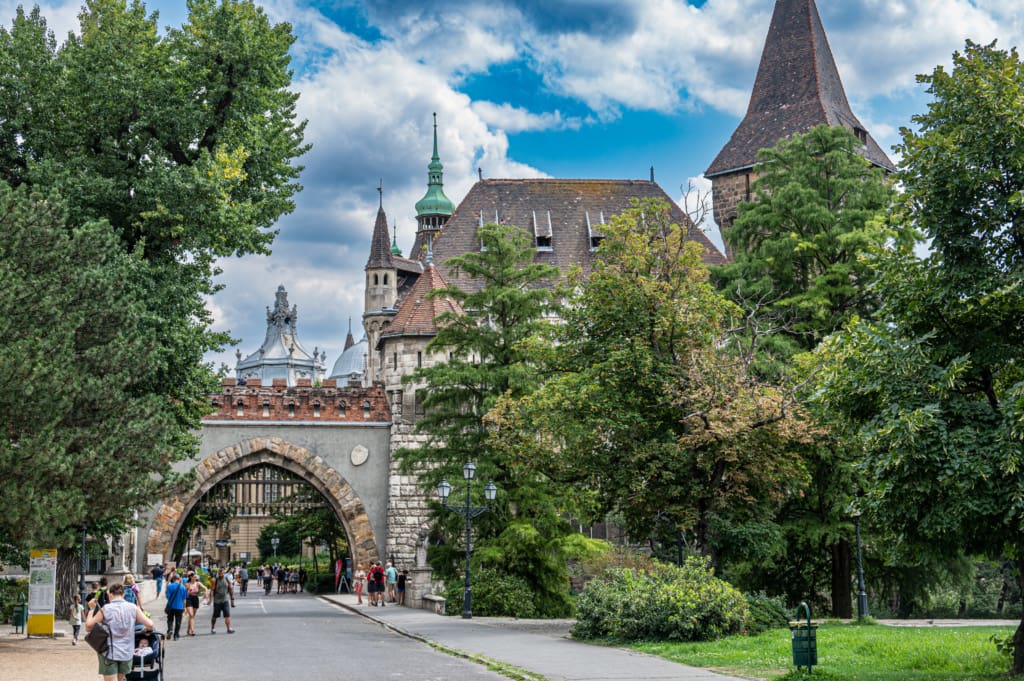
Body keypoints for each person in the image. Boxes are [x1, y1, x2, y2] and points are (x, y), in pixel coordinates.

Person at [85, 582, 154, 681]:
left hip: (109, 652)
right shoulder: (133, 608)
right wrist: (146, 629)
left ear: (110, 595)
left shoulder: (106, 609)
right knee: (121, 679)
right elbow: (150, 624)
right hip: (127, 652)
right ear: (123, 595)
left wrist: (91, 609)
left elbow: (88, 627)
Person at [209, 568, 236, 634]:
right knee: (215, 616)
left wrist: (232, 599)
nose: (221, 574)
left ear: (224, 573)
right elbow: (212, 590)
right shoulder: (215, 581)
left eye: (222, 573)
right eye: (220, 573)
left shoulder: (227, 580)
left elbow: (230, 589)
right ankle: (213, 628)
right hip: (217, 601)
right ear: (218, 574)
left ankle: (229, 628)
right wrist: (210, 599)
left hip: (225, 600)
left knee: (227, 614)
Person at [163, 573, 186, 641]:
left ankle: (170, 629)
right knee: (178, 621)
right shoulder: (183, 587)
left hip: (171, 606)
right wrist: (184, 607)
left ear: (173, 579)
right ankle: (176, 635)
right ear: (179, 579)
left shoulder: (169, 586)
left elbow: (168, 597)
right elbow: (184, 599)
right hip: (180, 607)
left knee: (170, 619)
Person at [184, 572, 208, 636]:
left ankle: (188, 629)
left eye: (196, 577)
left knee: (192, 616)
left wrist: (206, 593)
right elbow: (184, 594)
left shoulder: (198, 583)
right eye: (194, 577)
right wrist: (188, 593)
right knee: (191, 615)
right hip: (189, 599)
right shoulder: (187, 584)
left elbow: (205, 588)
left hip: (195, 599)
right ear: (191, 577)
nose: (196, 578)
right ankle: (192, 631)